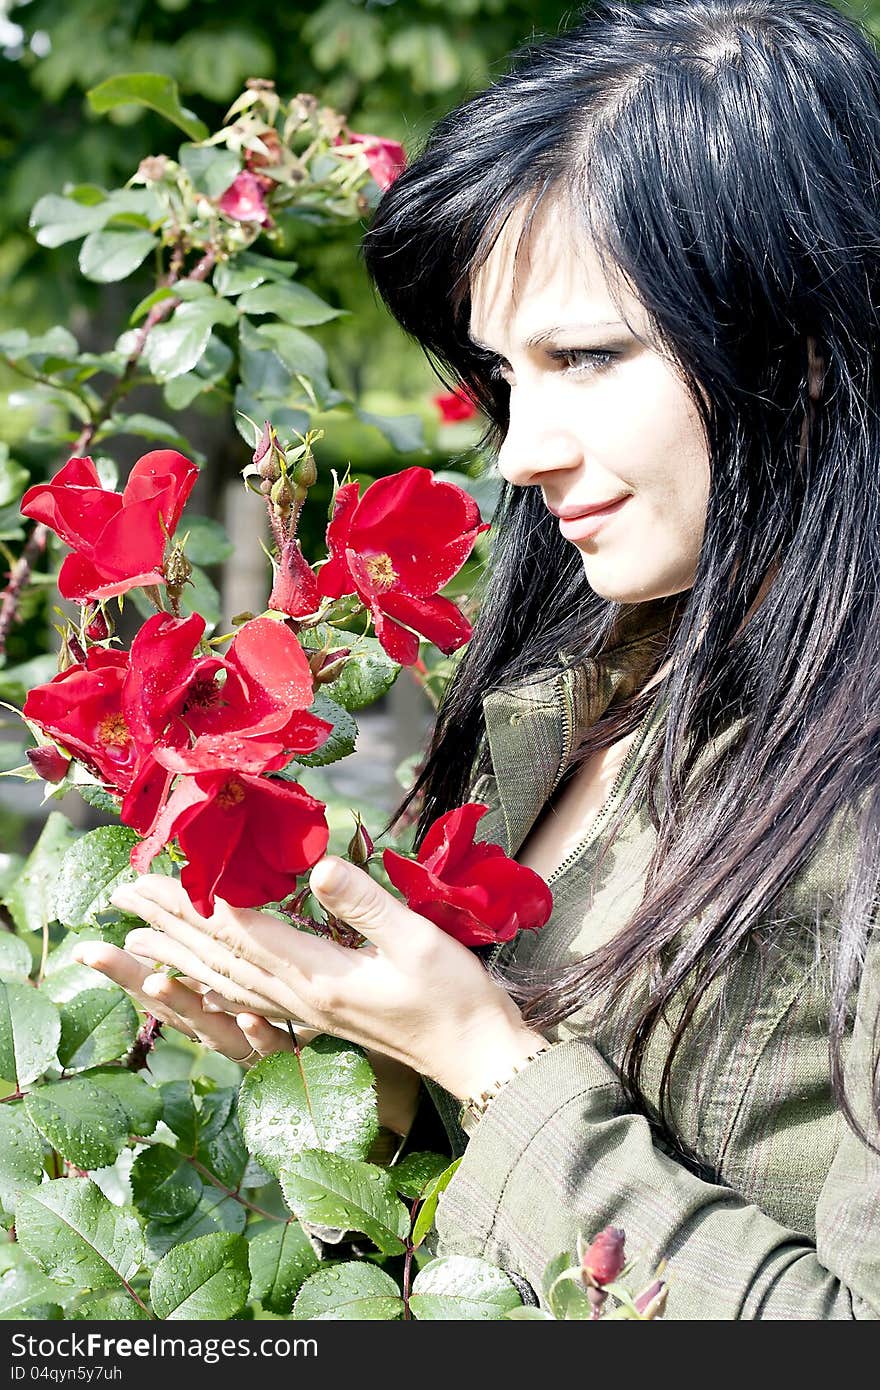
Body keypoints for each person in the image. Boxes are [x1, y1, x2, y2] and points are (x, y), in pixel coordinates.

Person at [74, 0, 880, 1318]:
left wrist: (487, 1056)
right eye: (509, 374)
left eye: (586, 356)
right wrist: (369, 1074)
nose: (519, 449)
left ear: (794, 350)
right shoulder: (573, 688)